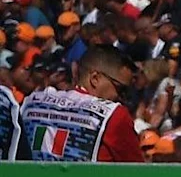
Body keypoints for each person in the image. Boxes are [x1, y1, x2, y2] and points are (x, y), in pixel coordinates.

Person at [16, 46, 145, 163]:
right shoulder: (114, 115)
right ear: (95, 78)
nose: (121, 97)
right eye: (120, 89)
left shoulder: (31, 103)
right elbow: (137, 175)